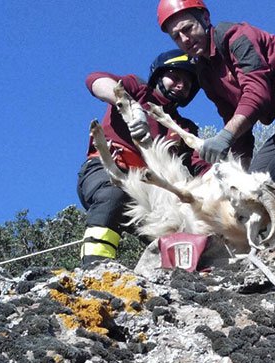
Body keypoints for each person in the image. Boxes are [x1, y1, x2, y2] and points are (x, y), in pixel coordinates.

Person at [156, 0, 275, 214]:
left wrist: (224, 136)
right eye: (176, 36)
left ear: (205, 18)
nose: (184, 39)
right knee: (257, 180)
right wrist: (241, 174)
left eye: (188, 28)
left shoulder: (234, 36)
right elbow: (237, 126)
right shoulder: (205, 74)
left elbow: (258, 92)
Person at [77, 49, 208, 266]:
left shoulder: (184, 127)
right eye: (175, 77)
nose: (181, 85)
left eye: (187, 83)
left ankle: (175, 276)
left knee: (180, 231)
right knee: (114, 195)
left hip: (150, 196)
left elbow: (200, 165)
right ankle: (95, 265)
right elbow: (95, 80)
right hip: (106, 171)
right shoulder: (137, 90)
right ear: (158, 75)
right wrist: (128, 104)